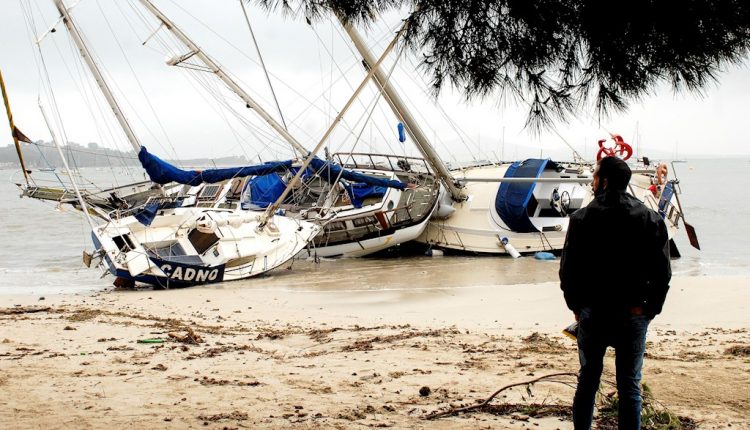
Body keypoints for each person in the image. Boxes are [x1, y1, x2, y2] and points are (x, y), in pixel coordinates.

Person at [559, 156, 671, 430]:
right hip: (633, 313)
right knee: (630, 387)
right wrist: (649, 310)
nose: (592, 181)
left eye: (595, 176)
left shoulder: (582, 218)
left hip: (594, 313)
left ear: (605, 181)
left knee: (588, 382)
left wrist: (576, 307)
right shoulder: (649, 218)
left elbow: (568, 271)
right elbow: (662, 272)